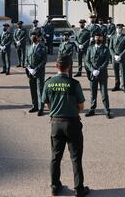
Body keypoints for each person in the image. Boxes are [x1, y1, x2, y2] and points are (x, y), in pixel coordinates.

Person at [41, 55, 90, 197]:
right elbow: (81, 105)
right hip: (72, 123)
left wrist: (56, 111)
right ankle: (79, 188)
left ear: (56, 66)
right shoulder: (74, 83)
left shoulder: (48, 83)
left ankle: (55, 186)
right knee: (76, 157)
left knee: (55, 156)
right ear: (69, 67)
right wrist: (73, 111)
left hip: (56, 122)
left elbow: (47, 104)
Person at [85, 31, 112, 118]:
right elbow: (87, 60)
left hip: (102, 74)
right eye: (96, 37)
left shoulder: (105, 49)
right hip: (93, 74)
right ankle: (92, 109)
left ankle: (107, 110)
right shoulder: (90, 48)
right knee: (93, 93)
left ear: (102, 38)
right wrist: (92, 70)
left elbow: (106, 61)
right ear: (94, 38)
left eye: (100, 37)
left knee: (104, 93)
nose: (98, 38)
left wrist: (99, 70)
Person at [25, 31, 47, 116]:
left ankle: (41, 108)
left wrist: (36, 69)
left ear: (39, 38)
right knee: (33, 90)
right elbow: (26, 60)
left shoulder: (43, 48)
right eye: (32, 36)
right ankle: (35, 106)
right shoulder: (29, 48)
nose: (33, 38)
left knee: (40, 91)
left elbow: (44, 61)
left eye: (35, 36)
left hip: (39, 73)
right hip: (31, 73)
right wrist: (29, 69)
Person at [110, 23, 125, 93]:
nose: (119, 30)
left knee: (123, 72)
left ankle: (124, 86)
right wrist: (114, 55)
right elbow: (110, 47)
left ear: (122, 29)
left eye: (120, 28)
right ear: (116, 29)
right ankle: (117, 85)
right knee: (116, 72)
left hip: (122, 57)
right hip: (114, 57)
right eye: (118, 28)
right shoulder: (112, 36)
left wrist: (120, 55)